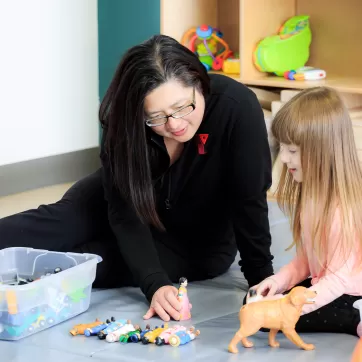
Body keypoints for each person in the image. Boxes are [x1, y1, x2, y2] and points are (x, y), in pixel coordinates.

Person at [0, 34, 274, 322]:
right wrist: (155, 283)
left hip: (192, 241)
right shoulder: (124, 121)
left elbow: (250, 198)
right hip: (125, 202)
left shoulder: (237, 107)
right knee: (60, 223)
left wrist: (262, 281)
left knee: (81, 262)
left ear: (198, 82)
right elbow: (124, 213)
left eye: (183, 107)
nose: (176, 124)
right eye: (156, 117)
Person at [251, 86, 362, 337]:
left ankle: (356, 315)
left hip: (349, 291)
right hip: (325, 283)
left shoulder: (340, 210)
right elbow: (305, 261)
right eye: (283, 149)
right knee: (258, 307)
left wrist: (286, 307)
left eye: (292, 151)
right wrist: (276, 282)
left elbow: (338, 280)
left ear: (322, 151)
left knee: (273, 318)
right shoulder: (312, 195)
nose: (285, 160)